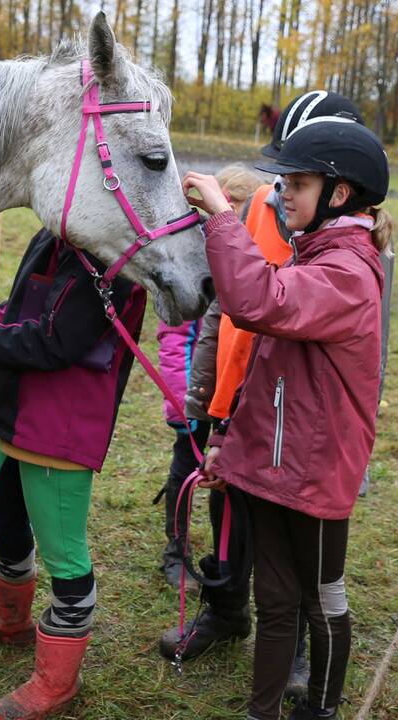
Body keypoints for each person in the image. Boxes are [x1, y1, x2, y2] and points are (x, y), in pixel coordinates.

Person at [182, 119, 394, 719]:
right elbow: (265, 366)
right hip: (271, 460)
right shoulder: (314, 254)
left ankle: (318, 712)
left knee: (321, 601)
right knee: (276, 602)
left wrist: (223, 215)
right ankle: (262, 713)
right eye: (282, 183)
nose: (282, 195)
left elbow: (255, 304)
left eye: (296, 183)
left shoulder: (348, 273)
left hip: (317, 472)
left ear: (340, 194)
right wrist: (227, 439)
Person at [0, 228, 146, 720]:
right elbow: (16, 312)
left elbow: (50, 342)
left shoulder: (111, 263)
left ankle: (57, 681)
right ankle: (7, 618)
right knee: (5, 516)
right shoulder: (54, 239)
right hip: (21, 416)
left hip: (59, 430)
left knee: (66, 558)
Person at [156, 165, 262, 593]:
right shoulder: (201, 264)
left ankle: (224, 557)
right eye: (230, 208)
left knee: (227, 483)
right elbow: (174, 338)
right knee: (185, 470)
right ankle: (175, 550)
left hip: (232, 406)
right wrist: (184, 401)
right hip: (196, 402)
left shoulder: (254, 263)